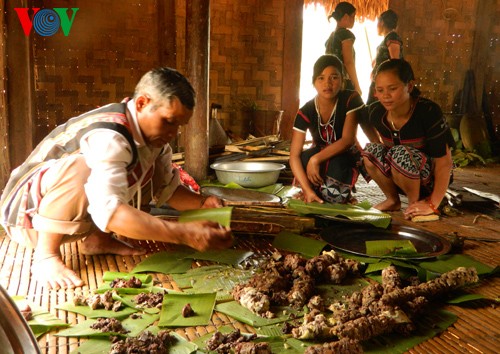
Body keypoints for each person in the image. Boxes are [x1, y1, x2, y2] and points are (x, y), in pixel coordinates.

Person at [0, 67, 233, 290]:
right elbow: (108, 211)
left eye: (179, 125)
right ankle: (46, 255)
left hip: (71, 219)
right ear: (142, 103)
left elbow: (167, 189)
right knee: (83, 168)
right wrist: (184, 234)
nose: (173, 133)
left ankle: (97, 240)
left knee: (137, 171)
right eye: (168, 121)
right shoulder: (109, 136)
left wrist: (202, 203)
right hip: (26, 217)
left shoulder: (154, 141)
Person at [361, 59, 455, 219]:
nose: (386, 96)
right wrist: (376, 140)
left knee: (399, 153)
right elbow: (361, 117)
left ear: (409, 86)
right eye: (380, 90)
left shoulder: (428, 112)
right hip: (400, 174)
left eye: (392, 88)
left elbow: (444, 163)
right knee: (370, 151)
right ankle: (392, 200)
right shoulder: (376, 111)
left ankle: (415, 204)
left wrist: (433, 203)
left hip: (429, 179)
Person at [290, 54, 365, 204]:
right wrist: (307, 189)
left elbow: (347, 140)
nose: (327, 84)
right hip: (320, 152)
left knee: (335, 192)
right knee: (304, 158)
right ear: (313, 82)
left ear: (342, 80)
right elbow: (294, 156)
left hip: (344, 154)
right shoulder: (306, 111)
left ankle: (339, 192)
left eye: (334, 77)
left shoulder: (350, 99)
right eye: (321, 78)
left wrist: (315, 159)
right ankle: (312, 192)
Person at [366, 9, 404, 105]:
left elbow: (395, 61)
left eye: (377, 22)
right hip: (381, 82)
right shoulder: (388, 38)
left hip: (385, 84)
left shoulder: (392, 37)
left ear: (382, 22)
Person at [325, 2, 362, 96]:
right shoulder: (346, 35)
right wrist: (357, 86)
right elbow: (348, 62)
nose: (354, 20)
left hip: (330, 81)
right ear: (346, 16)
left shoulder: (332, 36)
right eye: (353, 16)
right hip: (343, 82)